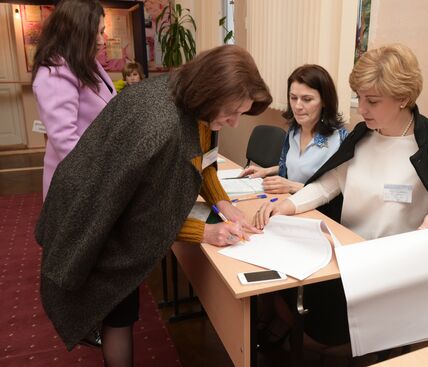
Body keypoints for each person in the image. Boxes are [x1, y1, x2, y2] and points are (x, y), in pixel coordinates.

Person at [254, 44, 428, 347]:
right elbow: (329, 184)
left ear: (404, 99)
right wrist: (289, 206)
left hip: (400, 270)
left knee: (311, 309)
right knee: (283, 282)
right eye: (359, 98)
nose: (362, 108)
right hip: (350, 258)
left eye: (372, 100)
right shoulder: (362, 138)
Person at [35, 44, 272, 366]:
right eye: (232, 112)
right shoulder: (165, 129)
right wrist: (205, 232)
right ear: (210, 92)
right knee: (115, 303)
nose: (233, 123)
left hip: (93, 194)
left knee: (117, 304)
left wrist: (223, 203)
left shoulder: (188, 100)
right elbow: (145, 222)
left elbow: (200, 163)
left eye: (240, 114)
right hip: (92, 212)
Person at [32, 0, 115, 201]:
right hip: (79, 183)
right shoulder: (55, 73)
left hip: (96, 173)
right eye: (94, 33)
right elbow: (66, 142)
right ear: (75, 33)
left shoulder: (84, 61)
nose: (101, 40)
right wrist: (106, 178)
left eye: (102, 31)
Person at [240, 65, 348, 196]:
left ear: (324, 101)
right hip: (287, 204)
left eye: (307, 99)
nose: (297, 106)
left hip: (318, 212)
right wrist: (266, 171)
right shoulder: (294, 131)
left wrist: (292, 186)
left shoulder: (339, 140)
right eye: (293, 98)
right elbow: (296, 167)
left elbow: (339, 193)